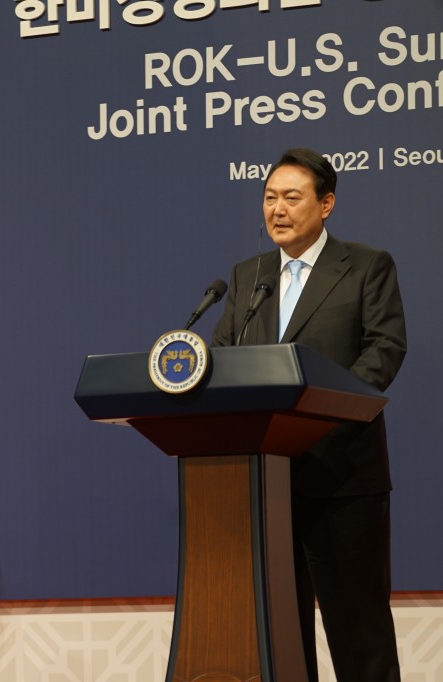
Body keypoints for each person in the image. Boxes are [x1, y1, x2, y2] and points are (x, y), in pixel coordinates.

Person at [211, 148, 406, 681]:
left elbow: (384, 350)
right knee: (279, 637)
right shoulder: (247, 276)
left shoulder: (366, 265)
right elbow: (223, 357)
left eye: (291, 197)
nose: (277, 209)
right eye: (269, 197)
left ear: (326, 205)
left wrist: (319, 416)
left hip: (342, 474)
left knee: (359, 631)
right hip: (266, 481)